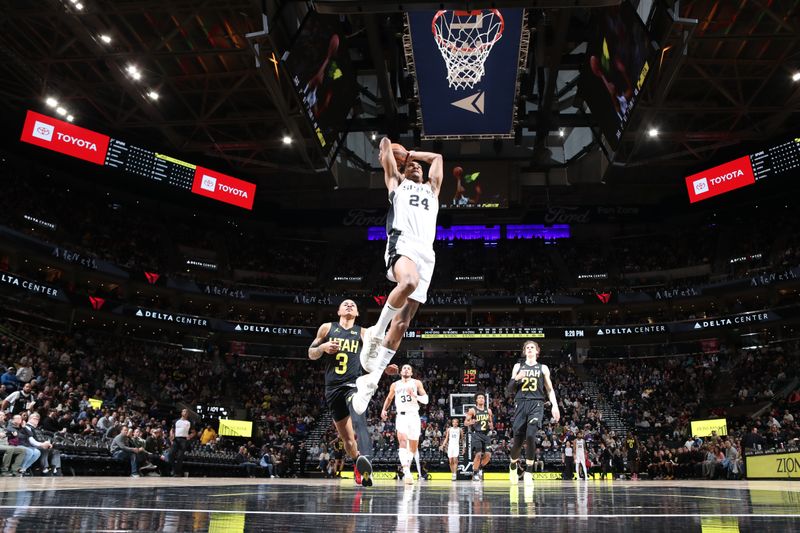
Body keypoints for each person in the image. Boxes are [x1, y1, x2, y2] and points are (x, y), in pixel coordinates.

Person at [352, 138, 443, 415]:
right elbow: (384, 144)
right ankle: (375, 333)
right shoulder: (396, 184)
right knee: (408, 281)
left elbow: (437, 158)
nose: (416, 166)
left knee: (402, 325)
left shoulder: (432, 189)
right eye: (411, 165)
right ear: (402, 170)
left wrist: (413, 154)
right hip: (402, 245)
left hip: (427, 254)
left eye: (418, 166)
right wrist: (397, 155)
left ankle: (370, 382)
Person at [308, 299, 377, 487]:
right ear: (338, 310)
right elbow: (311, 353)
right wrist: (322, 348)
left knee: (358, 415)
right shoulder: (326, 328)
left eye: (353, 305)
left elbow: (374, 359)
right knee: (346, 439)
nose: (349, 305)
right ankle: (357, 462)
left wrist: (385, 369)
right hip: (332, 389)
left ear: (357, 314)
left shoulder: (362, 332)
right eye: (345, 304)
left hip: (353, 385)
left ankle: (366, 457)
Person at [506, 340, 560, 485]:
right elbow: (509, 390)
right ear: (524, 352)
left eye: (532, 347)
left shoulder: (543, 368)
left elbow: (549, 389)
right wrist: (516, 378)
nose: (529, 349)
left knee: (530, 435)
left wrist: (555, 406)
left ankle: (529, 471)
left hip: (537, 403)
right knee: (518, 440)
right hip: (520, 404)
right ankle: (512, 466)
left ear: (537, 351)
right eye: (527, 348)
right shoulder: (518, 366)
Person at [381, 364, 429, 484]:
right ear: (400, 371)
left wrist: (415, 396)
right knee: (402, 441)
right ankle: (407, 472)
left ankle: (408, 468)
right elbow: (389, 398)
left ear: (411, 373)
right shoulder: (395, 385)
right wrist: (384, 409)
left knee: (413, 447)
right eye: (404, 368)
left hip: (414, 416)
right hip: (401, 416)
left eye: (409, 368)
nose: (406, 370)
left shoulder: (416, 383)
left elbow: (426, 400)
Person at [464, 393, 494, 481]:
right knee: (478, 454)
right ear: (476, 400)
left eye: (482, 398)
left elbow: (491, 424)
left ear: (484, 400)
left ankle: (479, 468)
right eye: (479, 398)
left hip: (486, 435)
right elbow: (466, 423)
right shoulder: (472, 410)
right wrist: (471, 422)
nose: (481, 399)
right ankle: (476, 473)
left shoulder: (488, 411)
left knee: (488, 455)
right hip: (476, 434)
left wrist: (491, 426)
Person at [169, 408, 194, 477]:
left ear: (188, 414)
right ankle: (174, 469)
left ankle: (177, 473)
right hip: (176, 439)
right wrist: (171, 435)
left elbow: (193, 432)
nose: (185, 412)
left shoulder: (190, 422)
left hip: (184, 440)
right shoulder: (176, 421)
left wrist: (190, 436)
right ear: (181, 413)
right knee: (170, 455)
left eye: (186, 412)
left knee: (180, 457)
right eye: (184, 411)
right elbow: (172, 430)